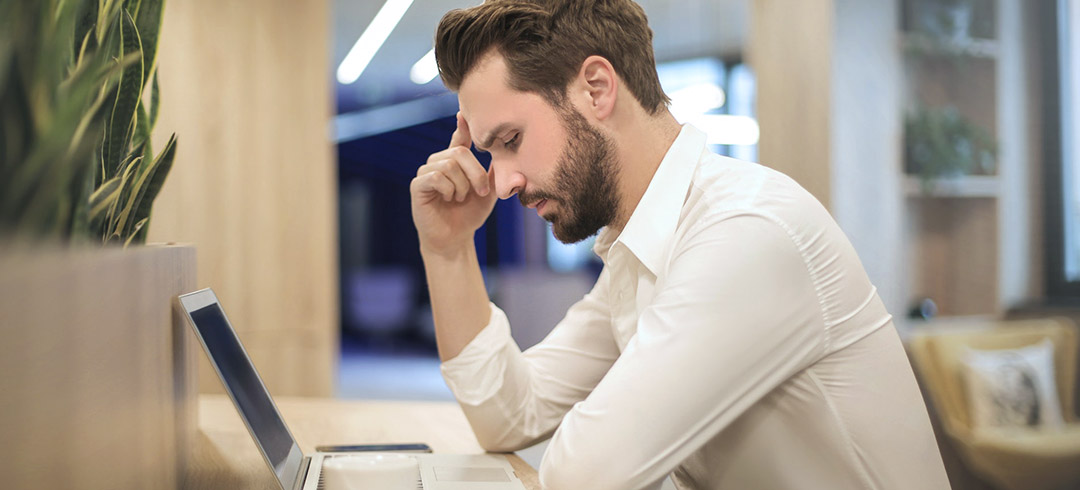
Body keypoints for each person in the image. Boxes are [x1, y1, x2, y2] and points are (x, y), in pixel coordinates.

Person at [409, 1, 950, 488]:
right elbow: (510, 415)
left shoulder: (746, 230)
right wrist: (449, 250)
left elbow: (585, 475)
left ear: (596, 88)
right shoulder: (639, 250)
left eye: (510, 142)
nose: (501, 184)